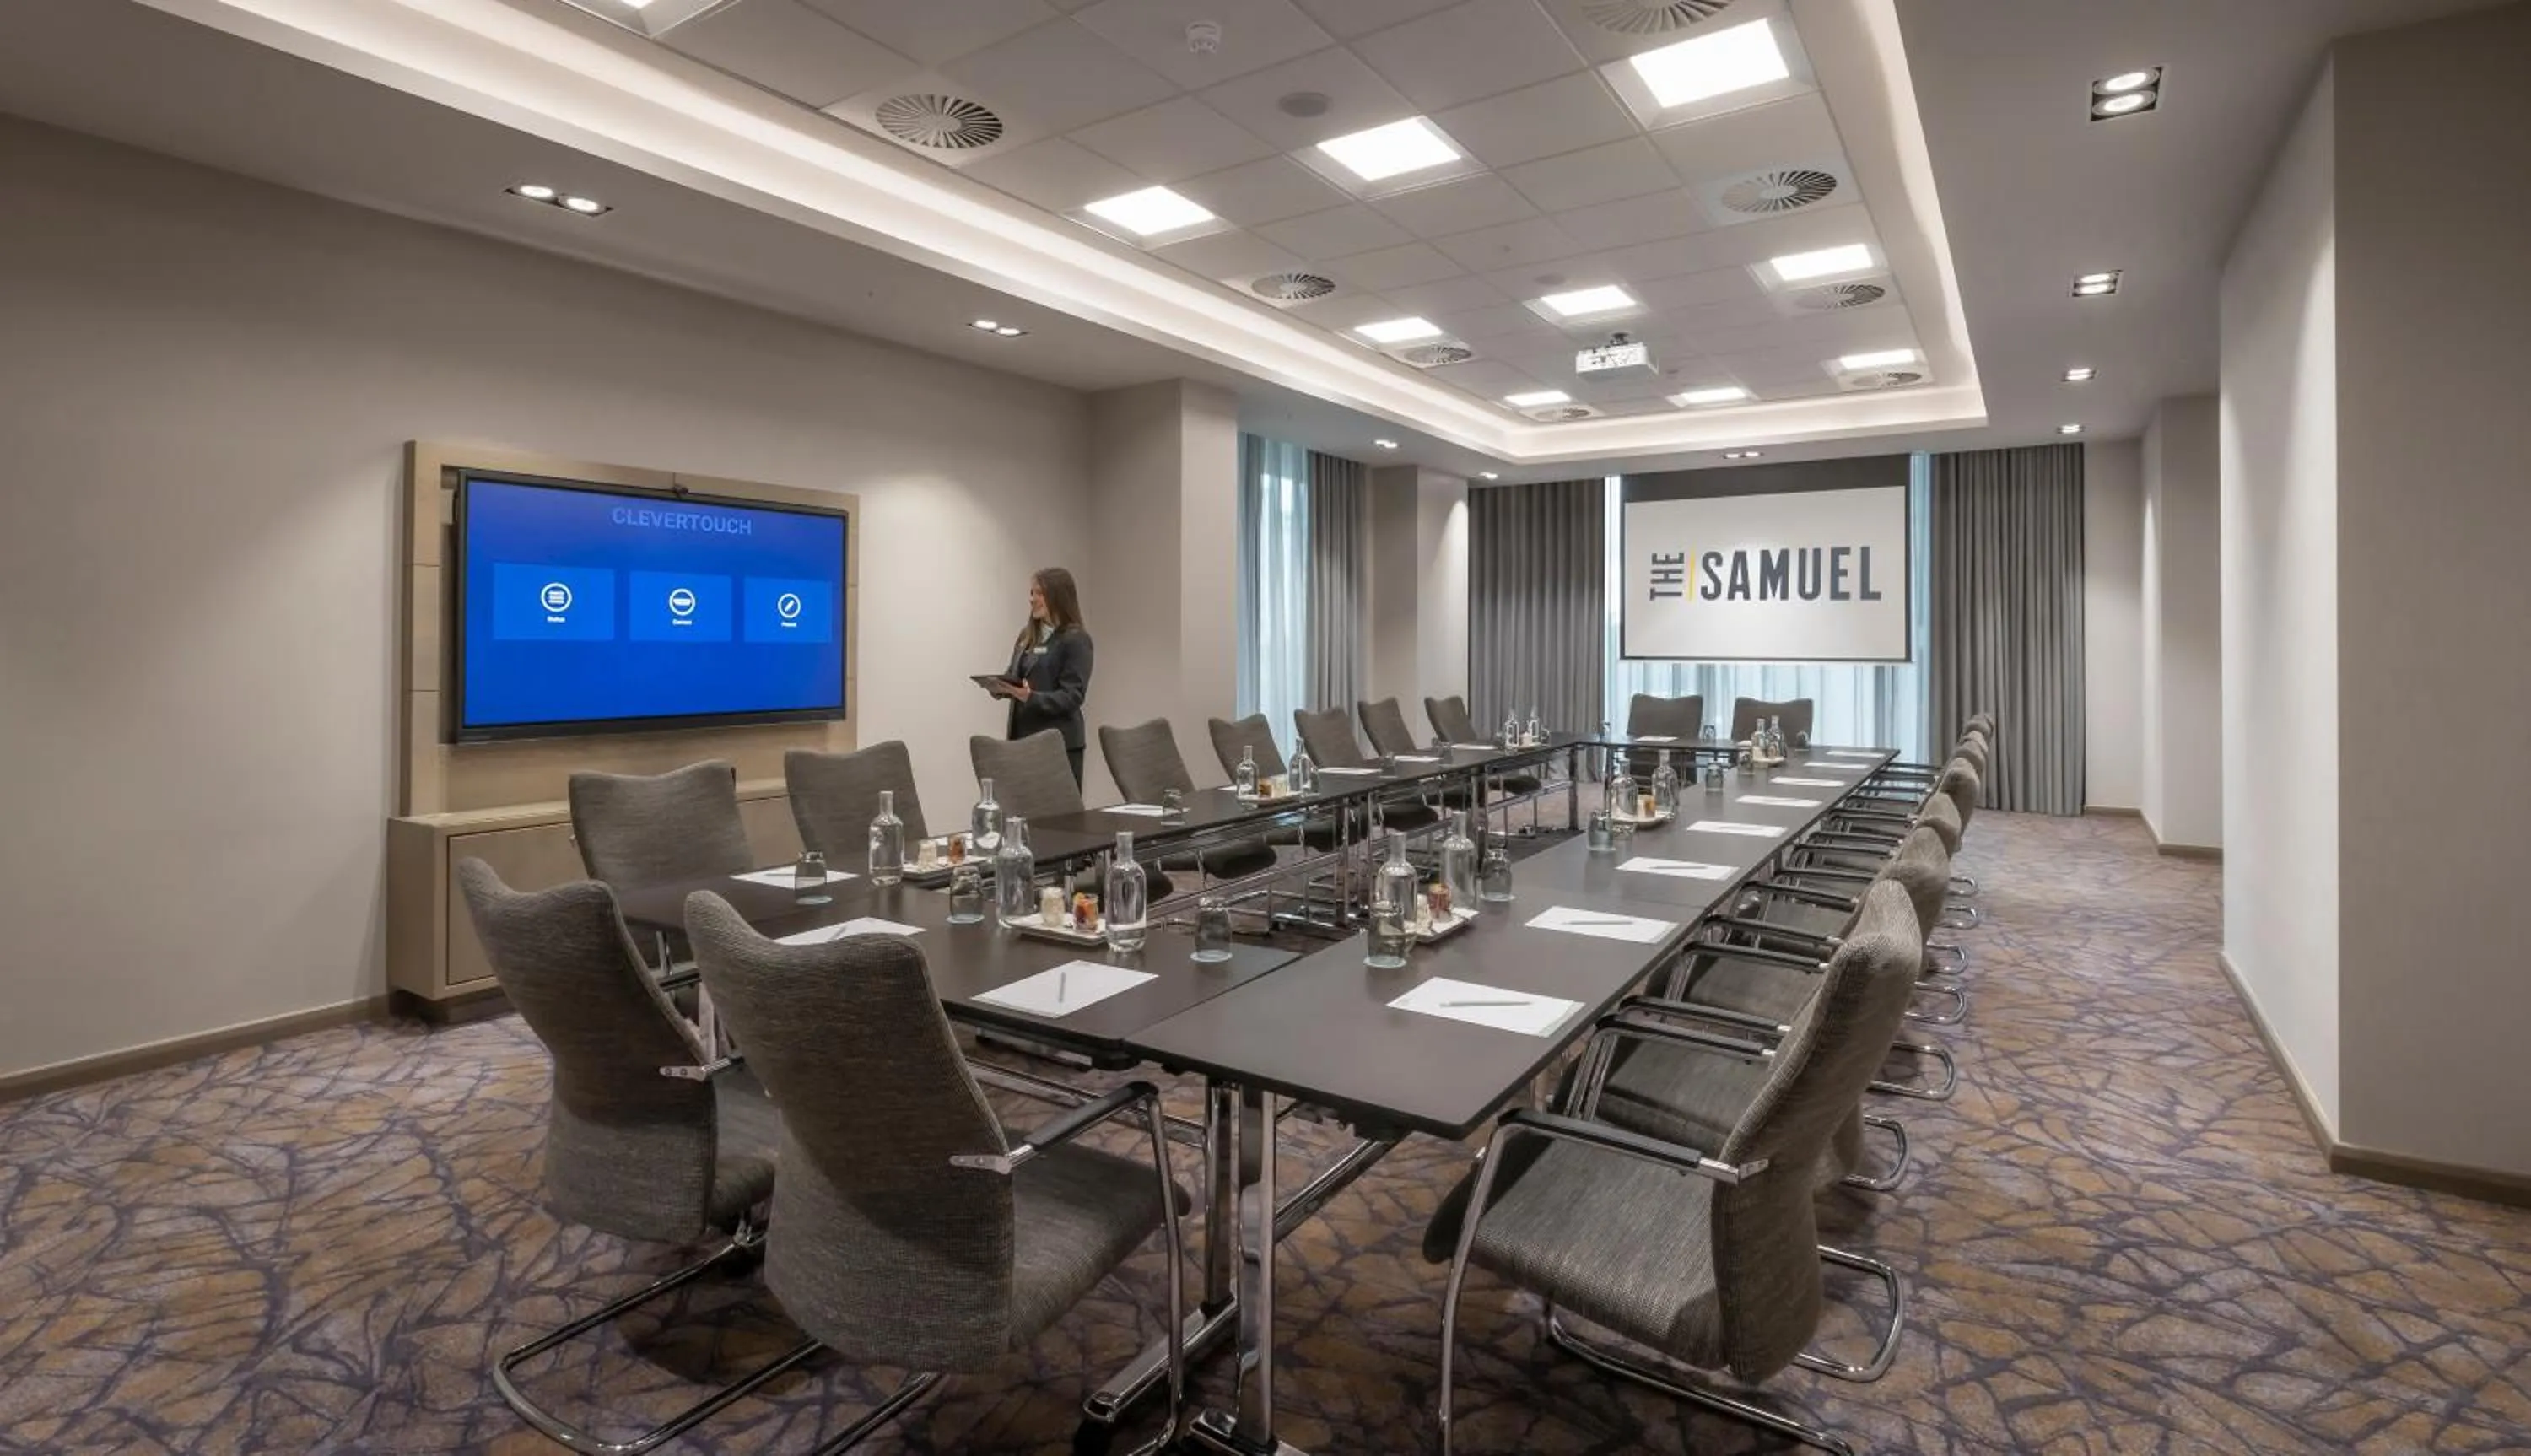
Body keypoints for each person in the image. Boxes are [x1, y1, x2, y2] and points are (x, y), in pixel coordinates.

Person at [998, 567, 1093, 785]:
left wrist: (1031, 697)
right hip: (1022, 741)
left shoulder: (1076, 640)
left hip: (1058, 746)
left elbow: (1073, 696)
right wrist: (1001, 685)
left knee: (1057, 817)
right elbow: (1015, 675)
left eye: (1039, 593)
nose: (1032, 599)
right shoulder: (1026, 635)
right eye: (1032, 593)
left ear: (1058, 596)